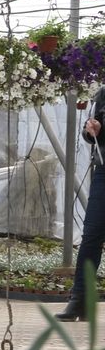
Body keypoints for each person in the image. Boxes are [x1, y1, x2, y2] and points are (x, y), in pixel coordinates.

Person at [61, 87, 105, 320]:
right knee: (92, 234)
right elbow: (91, 132)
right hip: (104, 171)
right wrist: (93, 130)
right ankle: (80, 300)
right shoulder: (103, 93)